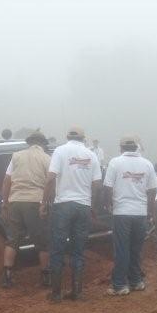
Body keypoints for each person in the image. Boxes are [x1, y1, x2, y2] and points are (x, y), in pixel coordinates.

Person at [41, 126, 102, 302]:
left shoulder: (60, 151)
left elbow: (51, 178)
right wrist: (92, 205)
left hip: (63, 206)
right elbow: (97, 184)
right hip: (83, 206)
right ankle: (77, 292)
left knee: (57, 249)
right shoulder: (91, 155)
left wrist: (44, 203)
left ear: (67, 136)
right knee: (78, 250)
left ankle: (56, 294)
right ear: (84, 138)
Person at [103, 137, 157, 295]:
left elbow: (107, 187)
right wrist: (150, 212)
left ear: (121, 148)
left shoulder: (115, 162)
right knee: (136, 248)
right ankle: (136, 281)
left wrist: (108, 205)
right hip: (140, 213)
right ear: (136, 148)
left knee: (121, 249)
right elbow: (152, 190)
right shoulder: (147, 164)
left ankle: (120, 285)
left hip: (121, 213)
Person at [1, 131, 51, 288]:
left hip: (15, 201)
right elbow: (51, 182)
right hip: (35, 201)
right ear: (43, 144)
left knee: (13, 240)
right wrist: (47, 202)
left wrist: (5, 203)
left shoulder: (16, 156)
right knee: (42, 241)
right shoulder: (47, 158)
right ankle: (45, 277)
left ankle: (7, 277)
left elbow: (6, 181)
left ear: (29, 143)